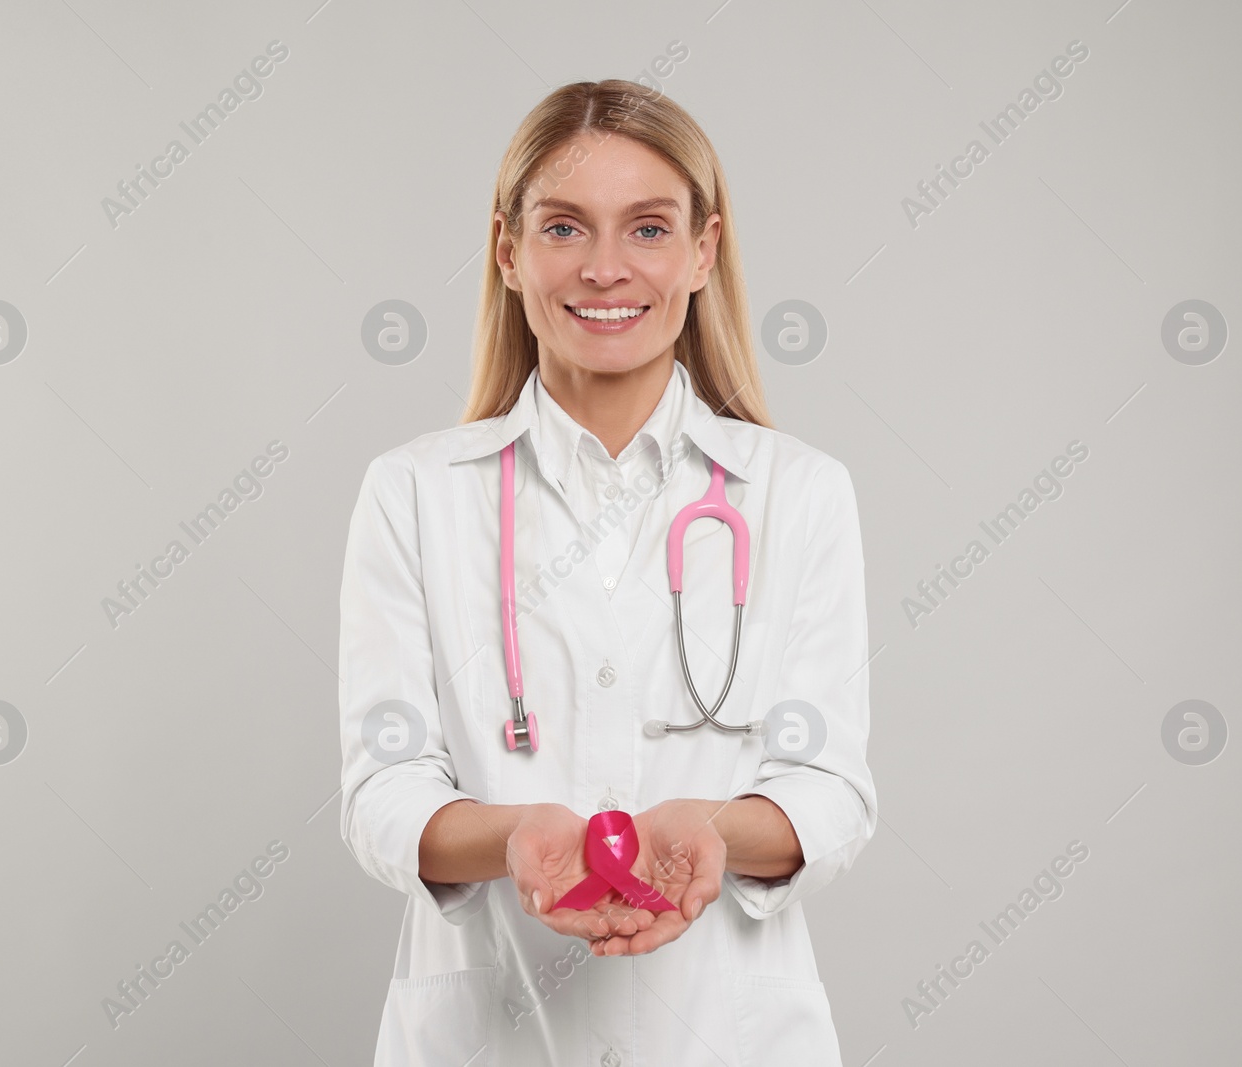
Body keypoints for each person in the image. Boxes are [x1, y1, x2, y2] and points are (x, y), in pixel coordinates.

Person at [338, 78, 877, 1066]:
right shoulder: (413, 493)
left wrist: (710, 829)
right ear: (506, 250)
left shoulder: (796, 493)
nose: (603, 268)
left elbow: (829, 786)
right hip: (490, 1034)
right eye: (562, 228)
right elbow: (382, 787)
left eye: (647, 229)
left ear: (703, 251)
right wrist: (514, 837)